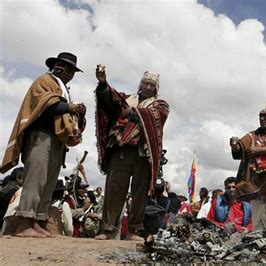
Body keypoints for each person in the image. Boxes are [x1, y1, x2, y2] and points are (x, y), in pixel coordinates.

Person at [1, 52, 86, 238]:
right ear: (58, 66)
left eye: (73, 71)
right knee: (36, 179)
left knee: (48, 182)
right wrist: (69, 107)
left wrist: (78, 113)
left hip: (57, 141)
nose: (71, 73)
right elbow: (42, 106)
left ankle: (37, 220)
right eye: (69, 69)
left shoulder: (63, 89)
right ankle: (24, 222)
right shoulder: (45, 81)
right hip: (40, 136)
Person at [94, 66, 170, 240]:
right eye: (145, 83)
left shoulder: (160, 104)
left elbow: (156, 116)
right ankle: (107, 229)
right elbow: (111, 102)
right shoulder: (127, 99)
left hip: (144, 153)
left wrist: (132, 113)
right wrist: (103, 83)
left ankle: (134, 230)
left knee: (139, 193)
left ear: (156, 88)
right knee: (114, 189)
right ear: (140, 84)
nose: (148, 87)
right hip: (121, 149)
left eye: (152, 84)